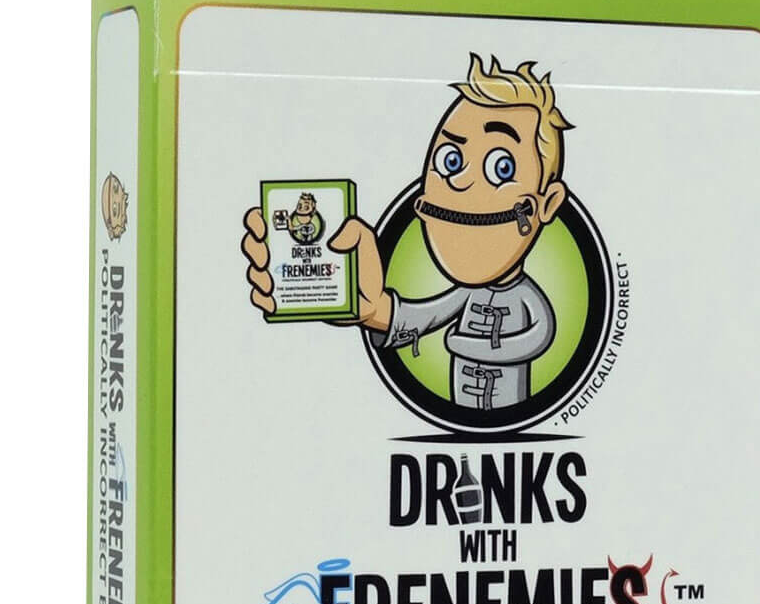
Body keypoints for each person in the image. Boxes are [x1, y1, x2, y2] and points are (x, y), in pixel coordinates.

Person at [242, 54, 573, 412]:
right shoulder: (466, 294)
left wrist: (463, 344)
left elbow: (537, 337)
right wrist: (368, 309)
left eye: (501, 167)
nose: (460, 182)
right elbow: (423, 317)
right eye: (451, 160)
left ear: (547, 204)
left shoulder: (527, 298)